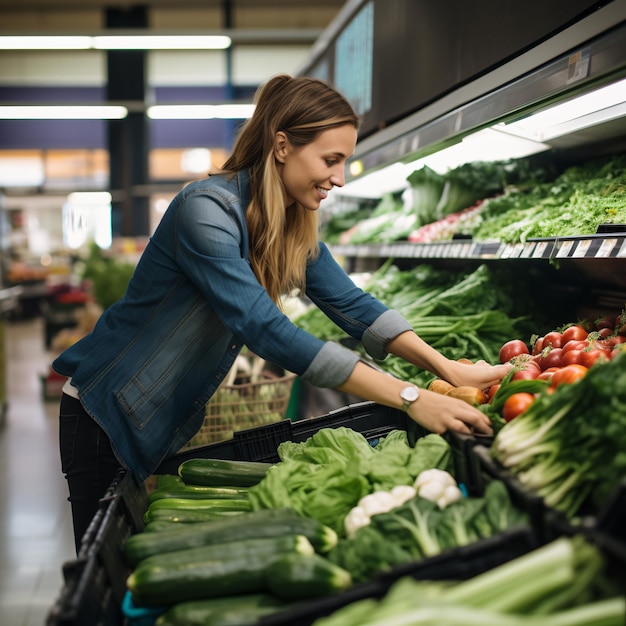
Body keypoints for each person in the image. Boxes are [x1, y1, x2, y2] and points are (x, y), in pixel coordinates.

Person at [53, 73, 511, 553]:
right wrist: (412, 398)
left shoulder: (287, 223)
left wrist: (446, 368)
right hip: (103, 412)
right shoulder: (204, 211)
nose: (338, 177)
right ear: (282, 145)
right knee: (99, 569)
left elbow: (353, 305)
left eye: (345, 162)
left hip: (153, 419)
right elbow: (266, 329)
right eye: (331, 160)